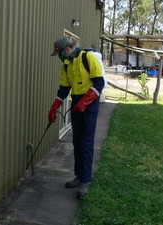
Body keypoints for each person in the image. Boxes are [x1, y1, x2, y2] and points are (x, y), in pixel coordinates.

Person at [49, 37, 104, 199]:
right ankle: (78, 176)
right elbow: (64, 89)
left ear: (67, 49)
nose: (59, 57)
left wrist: (85, 102)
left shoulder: (88, 58)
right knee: (77, 141)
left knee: (86, 142)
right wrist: (54, 107)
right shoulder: (66, 65)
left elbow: (99, 83)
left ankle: (85, 181)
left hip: (89, 104)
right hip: (76, 103)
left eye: (59, 53)